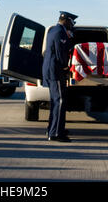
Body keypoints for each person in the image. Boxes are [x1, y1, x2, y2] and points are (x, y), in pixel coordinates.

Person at [42, 11, 78, 142]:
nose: (72, 25)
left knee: (55, 101)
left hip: (51, 70)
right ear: (67, 21)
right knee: (60, 101)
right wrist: (66, 67)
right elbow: (60, 53)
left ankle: (53, 128)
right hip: (55, 71)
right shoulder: (60, 32)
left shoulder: (53, 30)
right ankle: (56, 133)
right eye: (72, 22)